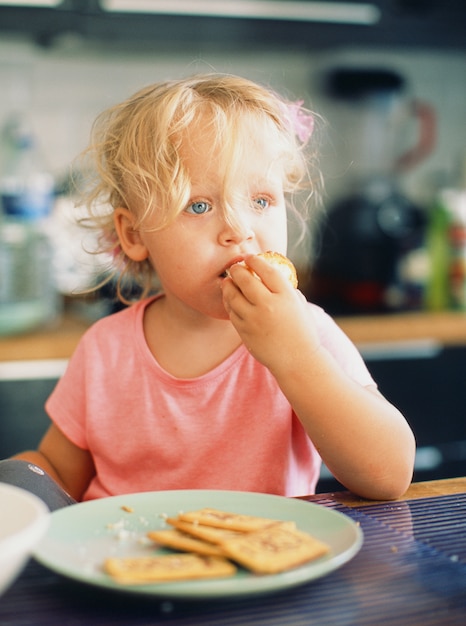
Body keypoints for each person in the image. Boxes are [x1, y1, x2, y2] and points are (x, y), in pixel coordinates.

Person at [1, 74, 415, 509]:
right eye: (199, 205)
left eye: (261, 201)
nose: (239, 230)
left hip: (266, 562)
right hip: (127, 568)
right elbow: (56, 468)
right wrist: (16, 482)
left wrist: (298, 358)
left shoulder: (306, 334)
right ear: (134, 233)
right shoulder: (105, 349)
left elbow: (386, 477)